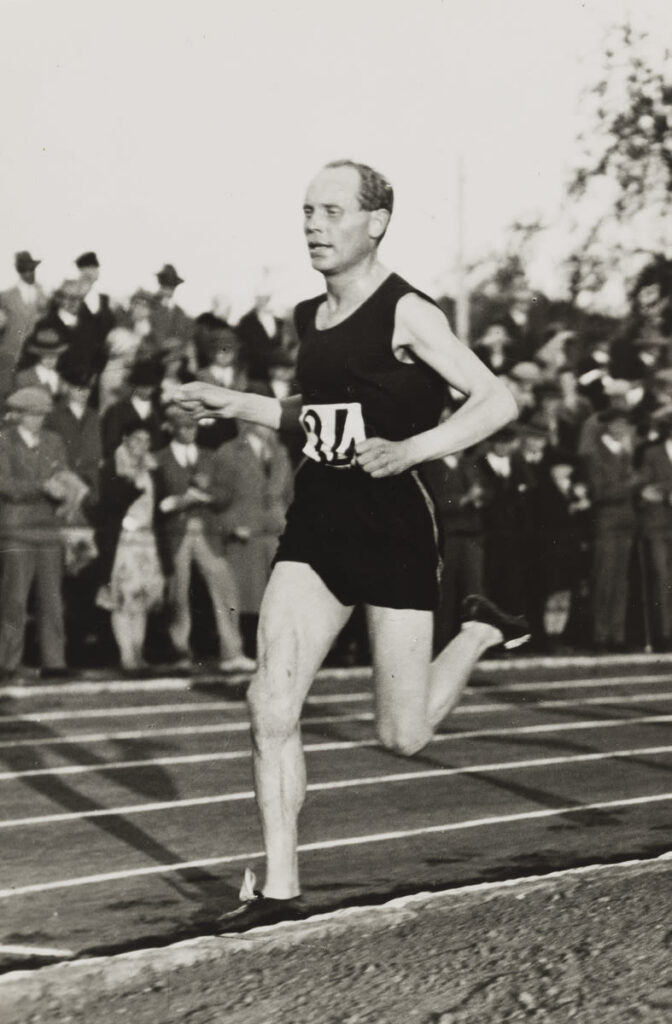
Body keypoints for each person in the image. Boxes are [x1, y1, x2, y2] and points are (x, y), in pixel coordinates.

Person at [175, 159, 529, 930]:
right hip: (319, 521)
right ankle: (278, 889)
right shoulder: (310, 318)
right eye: (306, 211)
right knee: (269, 699)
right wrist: (237, 402)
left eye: (331, 211)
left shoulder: (411, 313)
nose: (313, 225)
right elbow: (320, 412)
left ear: (376, 223)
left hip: (395, 523)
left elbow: (499, 398)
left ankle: (478, 630)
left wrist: (416, 450)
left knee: (400, 735)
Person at [154, 404, 254, 673]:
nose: (189, 432)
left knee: (225, 590)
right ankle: (180, 653)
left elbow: (226, 493)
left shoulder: (210, 457)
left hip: (207, 532)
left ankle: (232, 652)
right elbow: (155, 499)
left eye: (192, 427)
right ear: (172, 429)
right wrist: (177, 501)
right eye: (183, 427)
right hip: (176, 533)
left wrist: (206, 492)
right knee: (178, 594)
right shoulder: (160, 458)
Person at [0, 387, 87, 679]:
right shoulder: (3, 442)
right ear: (19, 415)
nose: (38, 420)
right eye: (33, 415)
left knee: (52, 599)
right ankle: (6, 663)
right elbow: (6, 486)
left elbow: (63, 472)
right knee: (14, 599)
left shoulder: (54, 441)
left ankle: (54, 662)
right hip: (17, 530)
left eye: (41, 415)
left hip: (49, 529)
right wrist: (42, 487)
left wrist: (69, 489)